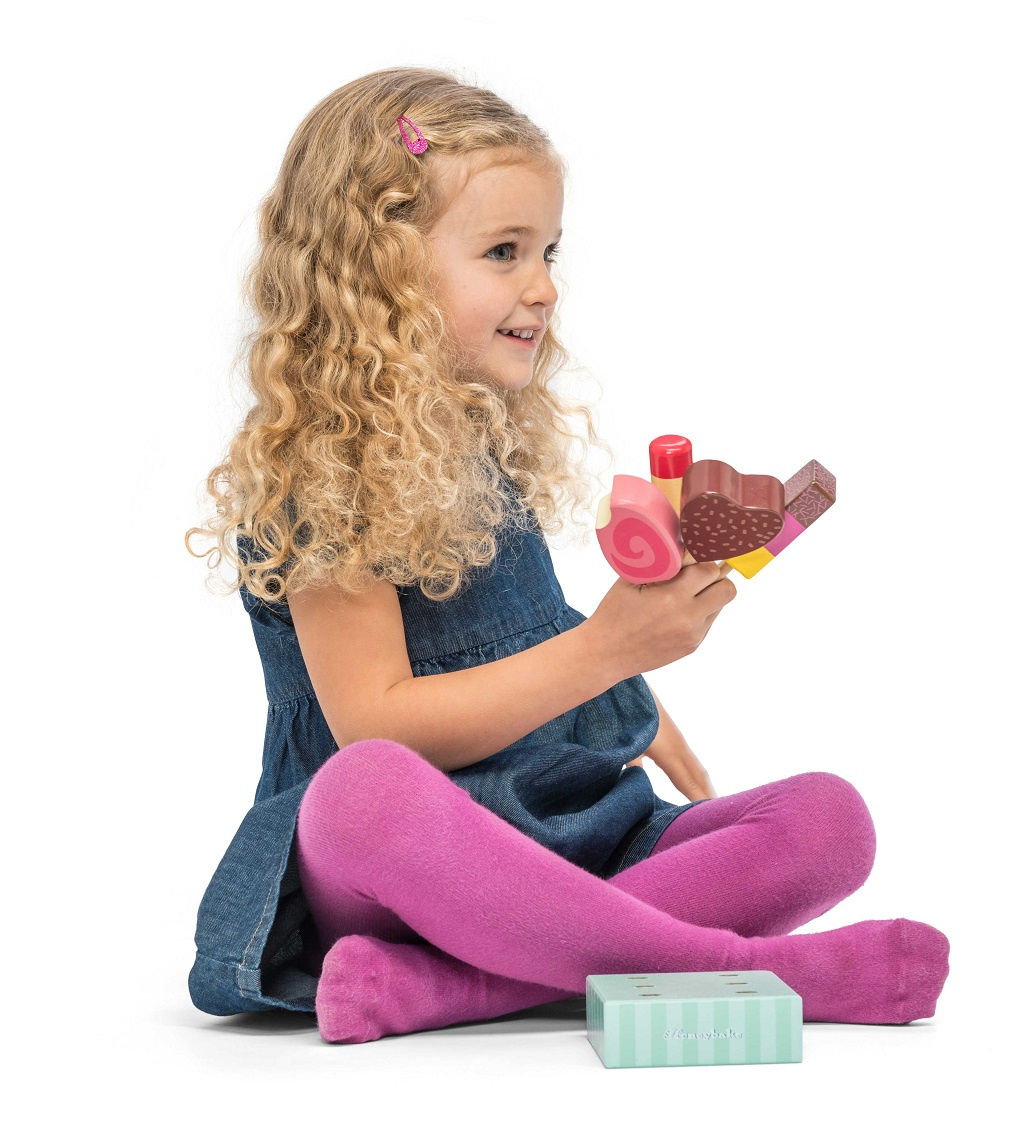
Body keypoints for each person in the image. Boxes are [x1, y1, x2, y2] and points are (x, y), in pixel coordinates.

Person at [185, 66, 949, 1045]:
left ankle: (459, 987)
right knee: (361, 792)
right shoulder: (322, 473)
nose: (543, 287)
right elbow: (377, 723)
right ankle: (763, 975)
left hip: (564, 827)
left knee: (827, 821)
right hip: (411, 864)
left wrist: (649, 716)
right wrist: (607, 651)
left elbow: (539, 640)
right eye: (503, 252)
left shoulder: (477, 445)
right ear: (379, 274)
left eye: (547, 252)